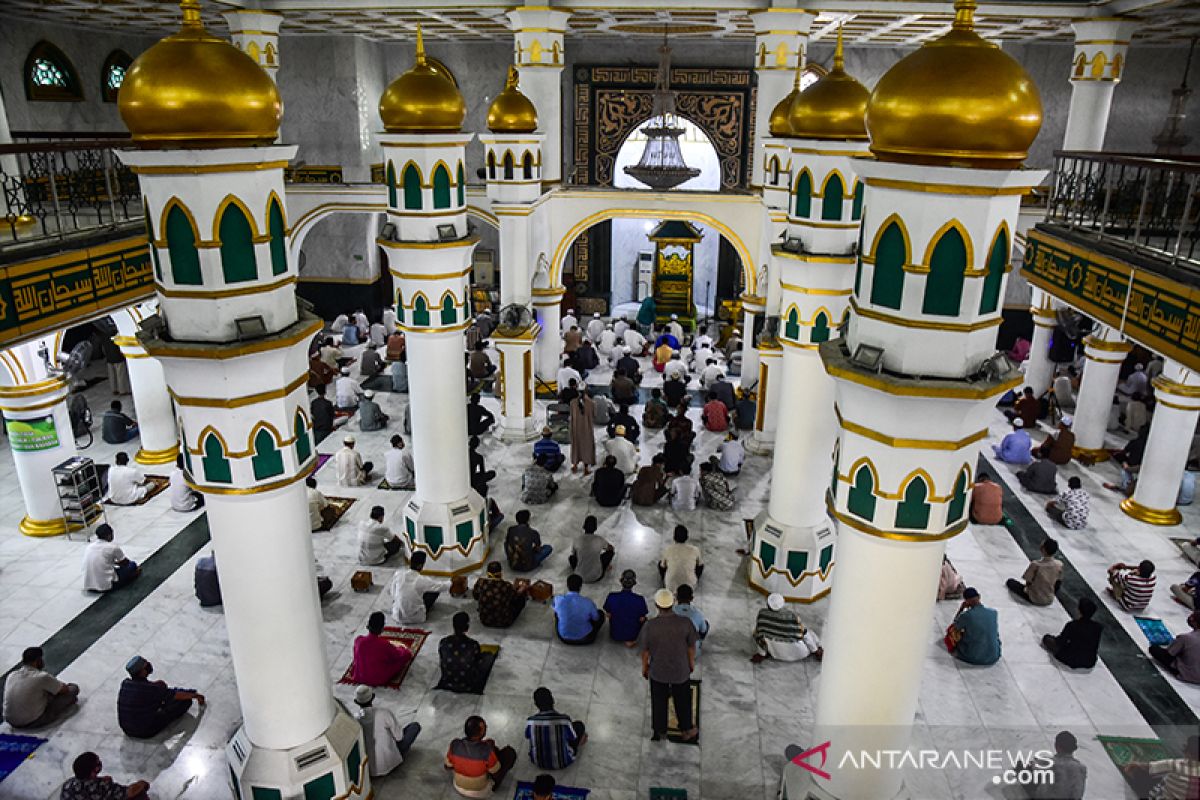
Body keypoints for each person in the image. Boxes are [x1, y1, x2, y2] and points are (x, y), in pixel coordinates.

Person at [639, 588, 698, 742]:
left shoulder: (650, 626)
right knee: (683, 700)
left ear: (657, 606)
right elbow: (692, 647)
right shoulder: (685, 623)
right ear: (673, 604)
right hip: (680, 670)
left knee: (658, 701)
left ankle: (660, 732)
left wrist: (645, 668)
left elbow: (645, 652)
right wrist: (690, 664)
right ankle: (686, 730)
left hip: (658, 672)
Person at [117, 655, 204, 739]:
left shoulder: (126, 684)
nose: (149, 665)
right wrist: (196, 696)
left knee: (158, 699)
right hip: (145, 731)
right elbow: (175, 695)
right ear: (142, 672)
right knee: (184, 702)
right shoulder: (151, 689)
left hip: (127, 729)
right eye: (146, 665)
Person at [3, 646, 79, 729]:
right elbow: (65, 689)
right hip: (32, 721)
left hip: (10, 720)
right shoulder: (41, 677)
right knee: (73, 689)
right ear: (37, 661)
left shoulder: (12, 675)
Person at [353, 684, 420, 778]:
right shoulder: (384, 713)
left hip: (369, 769)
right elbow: (399, 737)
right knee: (414, 727)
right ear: (373, 697)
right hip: (390, 762)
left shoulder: (355, 720)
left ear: (356, 702)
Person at [444, 715, 518, 797]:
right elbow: (496, 772)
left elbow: (447, 767)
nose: (486, 727)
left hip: (458, 787)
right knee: (509, 753)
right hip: (481, 791)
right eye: (485, 727)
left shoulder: (455, 744)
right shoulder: (486, 750)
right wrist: (491, 750)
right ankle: (493, 786)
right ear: (481, 732)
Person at [525, 686, 587, 770]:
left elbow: (527, 736)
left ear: (536, 705)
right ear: (553, 700)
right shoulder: (564, 720)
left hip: (538, 762)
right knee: (579, 726)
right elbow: (573, 737)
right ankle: (578, 744)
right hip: (564, 762)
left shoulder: (530, 721)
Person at [750, 593, 823, 663]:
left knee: (756, 631)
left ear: (768, 604)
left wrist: (761, 654)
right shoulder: (791, 616)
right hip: (799, 654)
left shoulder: (762, 614)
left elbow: (759, 636)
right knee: (808, 632)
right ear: (782, 605)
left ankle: (764, 653)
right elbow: (804, 635)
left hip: (775, 654)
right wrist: (815, 650)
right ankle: (817, 650)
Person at [1124, 735, 1200, 800]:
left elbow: (1149, 767)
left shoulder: (1176, 764)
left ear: (1189, 753)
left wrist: (1134, 765)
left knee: (1142, 773)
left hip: (1160, 796)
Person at [350, 611, 414, 687]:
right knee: (406, 656)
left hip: (359, 676)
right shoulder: (384, 644)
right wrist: (402, 648)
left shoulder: (358, 640)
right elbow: (398, 655)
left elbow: (356, 657)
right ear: (382, 628)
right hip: (378, 679)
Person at [438, 613, 496, 695]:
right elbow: (478, 660)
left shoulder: (443, 642)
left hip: (447, 681)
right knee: (488, 657)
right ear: (467, 627)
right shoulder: (473, 644)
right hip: (468, 684)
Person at [389, 551, 451, 624]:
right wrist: (452, 582)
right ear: (420, 566)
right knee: (435, 591)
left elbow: (392, 591)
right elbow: (441, 586)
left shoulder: (399, 573)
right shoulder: (421, 580)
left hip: (397, 614)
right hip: (415, 617)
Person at [1042, 597, 1103, 670]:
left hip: (1071, 658)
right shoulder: (1098, 627)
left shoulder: (1072, 625)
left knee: (1047, 639)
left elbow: (1060, 642)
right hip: (1089, 661)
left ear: (1079, 611)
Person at [60, 752, 149, 800]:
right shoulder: (102, 787)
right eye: (98, 763)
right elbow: (127, 793)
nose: (100, 763)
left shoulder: (67, 785)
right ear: (92, 772)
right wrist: (142, 785)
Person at [949, 588, 1001, 666]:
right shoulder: (993, 613)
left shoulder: (967, 616)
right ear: (979, 596)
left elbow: (954, 626)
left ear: (966, 601)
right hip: (994, 655)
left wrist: (961, 609)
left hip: (973, 657)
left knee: (955, 634)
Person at [83, 524, 140, 592]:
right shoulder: (113, 547)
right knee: (132, 565)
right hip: (106, 585)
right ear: (109, 535)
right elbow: (126, 563)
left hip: (89, 585)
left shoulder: (89, 547)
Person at [1006, 538, 1063, 606]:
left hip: (1034, 598)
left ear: (1043, 549)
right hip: (1049, 599)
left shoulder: (1036, 564)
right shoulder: (1059, 564)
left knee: (1010, 582)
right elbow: (1058, 582)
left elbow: (1028, 582)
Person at [473, 561, 528, 628]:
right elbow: (515, 597)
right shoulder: (506, 586)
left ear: (487, 573)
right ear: (501, 573)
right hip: (504, 622)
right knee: (521, 599)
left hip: (485, 620)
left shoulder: (480, 582)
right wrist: (522, 589)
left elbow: (475, 596)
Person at [552, 574, 604, 645]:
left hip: (563, 638)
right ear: (580, 587)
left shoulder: (558, 599)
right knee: (600, 614)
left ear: (567, 586)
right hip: (586, 638)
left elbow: (555, 608)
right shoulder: (588, 602)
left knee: (557, 613)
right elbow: (596, 618)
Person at [1150, 611, 1200, 683]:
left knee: (1154, 649)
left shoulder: (1185, 637)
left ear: (1193, 620)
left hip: (1187, 674)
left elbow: (1169, 654)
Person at [605, 569, 649, 647]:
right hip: (632, 636)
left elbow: (608, 614)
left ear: (621, 581)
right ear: (634, 583)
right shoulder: (639, 599)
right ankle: (632, 640)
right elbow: (642, 617)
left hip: (615, 635)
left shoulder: (611, 597)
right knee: (645, 619)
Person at [659, 525, 703, 594]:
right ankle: (694, 579)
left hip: (671, 586)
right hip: (690, 586)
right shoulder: (695, 550)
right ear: (687, 537)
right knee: (699, 565)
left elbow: (662, 566)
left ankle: (665, 580)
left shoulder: (668, 549)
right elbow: (700, 565)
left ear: (674, 537)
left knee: (660, 564)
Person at [569, 515, 614, 583]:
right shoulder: (599, 539)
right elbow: (611, 548)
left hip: (578, 576)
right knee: (610, 553)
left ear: (584, 526)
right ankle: (605, 567)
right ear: (595, 528)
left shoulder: (578, 539)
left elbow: (574, 554)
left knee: (571, 558)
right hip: (596, 576)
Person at [673, 584, 709, 657]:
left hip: (672, 653)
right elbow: (703, 630)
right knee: (705, 624)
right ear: (692, 598)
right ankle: (698, 644)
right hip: (692, 654)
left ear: (676, 597)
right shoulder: (697, 613)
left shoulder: (670, 611)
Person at [569, 391, 596, 475]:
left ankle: (575, 465)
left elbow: (571, 415)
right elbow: (594, 415)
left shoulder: (572, 403)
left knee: (576, 446)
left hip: (576, 428)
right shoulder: (592, 403)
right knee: (586, 447)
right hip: (587, 428)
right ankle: (586, 468)